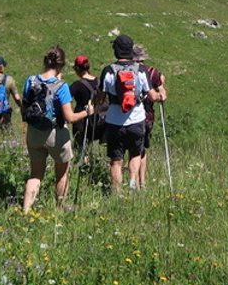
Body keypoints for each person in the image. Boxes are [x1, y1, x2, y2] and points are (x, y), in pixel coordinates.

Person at [20, 46, 90, 212]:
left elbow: (24, 107)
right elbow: (70, 118)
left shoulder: (30, 81)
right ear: (62, 65)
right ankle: (60, 208)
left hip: (34, 132)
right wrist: (87, 112)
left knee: (35, 174)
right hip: (56, 133)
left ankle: (26, 210)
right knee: (62, 173)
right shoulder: (61, 86)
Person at [95, 34, 163, 195]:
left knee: (116, 160)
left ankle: (117, 193)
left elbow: (100, 98)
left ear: (116, 51)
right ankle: (133, 183)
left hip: (114, 121)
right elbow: (152, 96)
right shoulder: (141, 70)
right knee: (135, 154)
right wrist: (161, 96)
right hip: (137, 119)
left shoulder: (108, 71)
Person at [129, 44, 166, 190]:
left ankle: (134, 182)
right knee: (141, 150)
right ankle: (141, 183)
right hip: (146, 117)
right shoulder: (151, 72)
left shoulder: (125, 71)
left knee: (130, 150)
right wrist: (160, 96)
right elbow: (162, 92)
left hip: (126, 115)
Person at [67, 54, 100, 161]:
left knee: (80, 148)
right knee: (89, 146)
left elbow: (66, 98)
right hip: (96, 119)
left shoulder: (77, 85)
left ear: (77, 68)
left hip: (80, 119)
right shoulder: (98, 82)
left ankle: (82, 168)